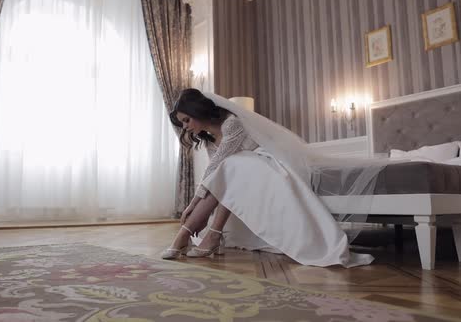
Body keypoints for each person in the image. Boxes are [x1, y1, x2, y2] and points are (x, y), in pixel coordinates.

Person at [161, 88, 376, 268]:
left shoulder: (231, 124)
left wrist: (193, 203)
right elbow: (214, 171)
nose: (186, 126)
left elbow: (218, 166)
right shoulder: (207, 139)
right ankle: (208, 235)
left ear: (197, 111)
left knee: (229, 167)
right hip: (237, 174)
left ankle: (189, 236)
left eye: (187, 120)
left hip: (263, 166)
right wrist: (196, 201)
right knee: (228, 171)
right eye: (183, 123)